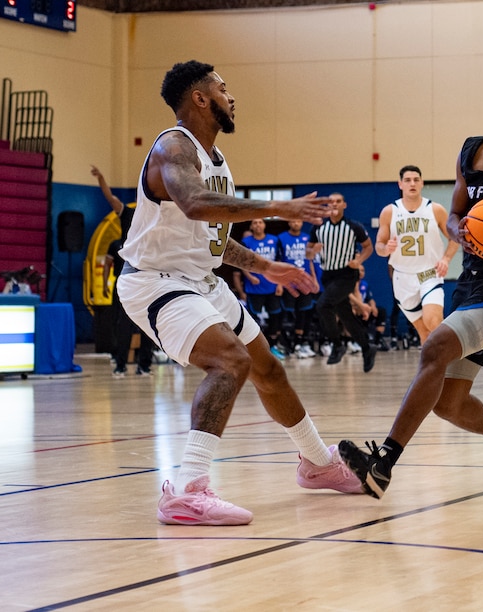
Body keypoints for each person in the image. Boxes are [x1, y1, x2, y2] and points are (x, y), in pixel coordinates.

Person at [116, 60, 361, 526]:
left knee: (268, 367)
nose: (232, 97)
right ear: (201, 99)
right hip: (155, 281)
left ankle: (316, 464)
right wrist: (274, 204)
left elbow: (208, 236)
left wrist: (265, 266)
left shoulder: (216, 160)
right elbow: (194, 204)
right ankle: (187, 490)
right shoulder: (173, 147)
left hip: (203, 281)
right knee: (231, 361)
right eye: (223, 89)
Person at [338, 83, 483, 499]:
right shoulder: (471, 151)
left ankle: (384, 463)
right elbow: (455, 214)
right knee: (448, 402)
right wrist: (456, 229)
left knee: (435, 347)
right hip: (472, 280)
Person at [375, 165, 460, 345]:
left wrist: (445, 259)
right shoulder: (389, 212)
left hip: (429, 273)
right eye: (407, 180)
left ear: (422, 183)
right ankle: (432, 371)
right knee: (424, 334)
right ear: (400, 184)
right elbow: (378, 247)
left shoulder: (435, 209)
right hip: (402, 277)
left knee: (433, 321)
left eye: (416, 180)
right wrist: (386, 248)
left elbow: (455, 238)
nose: (412, 183)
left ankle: (451, 363)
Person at [307, 193, 376, 370]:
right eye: (331, 202)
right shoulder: (318, 228)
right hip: (327, 275)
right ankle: (367, 348)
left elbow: (368, 247)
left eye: (338, 201)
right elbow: (308, 253)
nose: (334, 204)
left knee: (323, 306)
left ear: (344, 205)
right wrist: (313, 251)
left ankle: (337, 345)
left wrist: (359, 261)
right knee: (346, 316)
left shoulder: (354, 227)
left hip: (346, 274)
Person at [103, 238, 155, 376]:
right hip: (125, 288)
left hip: (145, 286)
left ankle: (144, 365)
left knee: (147, 326)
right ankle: (120, 364)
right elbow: (107, 264)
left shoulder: (146, 242)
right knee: (123, 327)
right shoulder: (117, 244)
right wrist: (104, 284)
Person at [240, 218, 287, 360]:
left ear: (264, 225)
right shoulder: (246, 243)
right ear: (251, 227)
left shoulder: (274, 240)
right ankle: (256, 349)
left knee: (275, 318)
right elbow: (241, 263)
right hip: (254, 288)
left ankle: (273, 347)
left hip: (272, 287)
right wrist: (249, 276)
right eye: (255, 223)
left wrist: (280, 284)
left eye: (260, 222)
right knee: (253, 320)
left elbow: (279, 262)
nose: (258, 225)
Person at [277, 219, 318, 358]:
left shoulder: (307, 238)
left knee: (304, 313)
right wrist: (279, 282)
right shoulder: (281, 238)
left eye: (299, 221)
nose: (296, 223)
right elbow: (277, 261)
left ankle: (300, 344)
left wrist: (314, 279)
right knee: (287, 314)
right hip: (289, 282)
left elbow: (310, 261)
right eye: (293, 221)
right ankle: (286, 344)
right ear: (289, 223)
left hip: (304, 281)